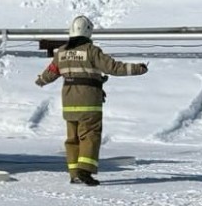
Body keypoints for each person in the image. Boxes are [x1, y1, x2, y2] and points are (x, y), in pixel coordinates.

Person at [35, 15, 147, 186]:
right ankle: (85, 170)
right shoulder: (92, 51)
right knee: (90, 136)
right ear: (88, 32)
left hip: (69, 103)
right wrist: (138, 68)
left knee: (72, 139)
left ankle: (74, 173)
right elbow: (114, 68)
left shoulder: (62, 52)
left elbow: (50, 73)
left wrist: (40, 80)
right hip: (88, 102)